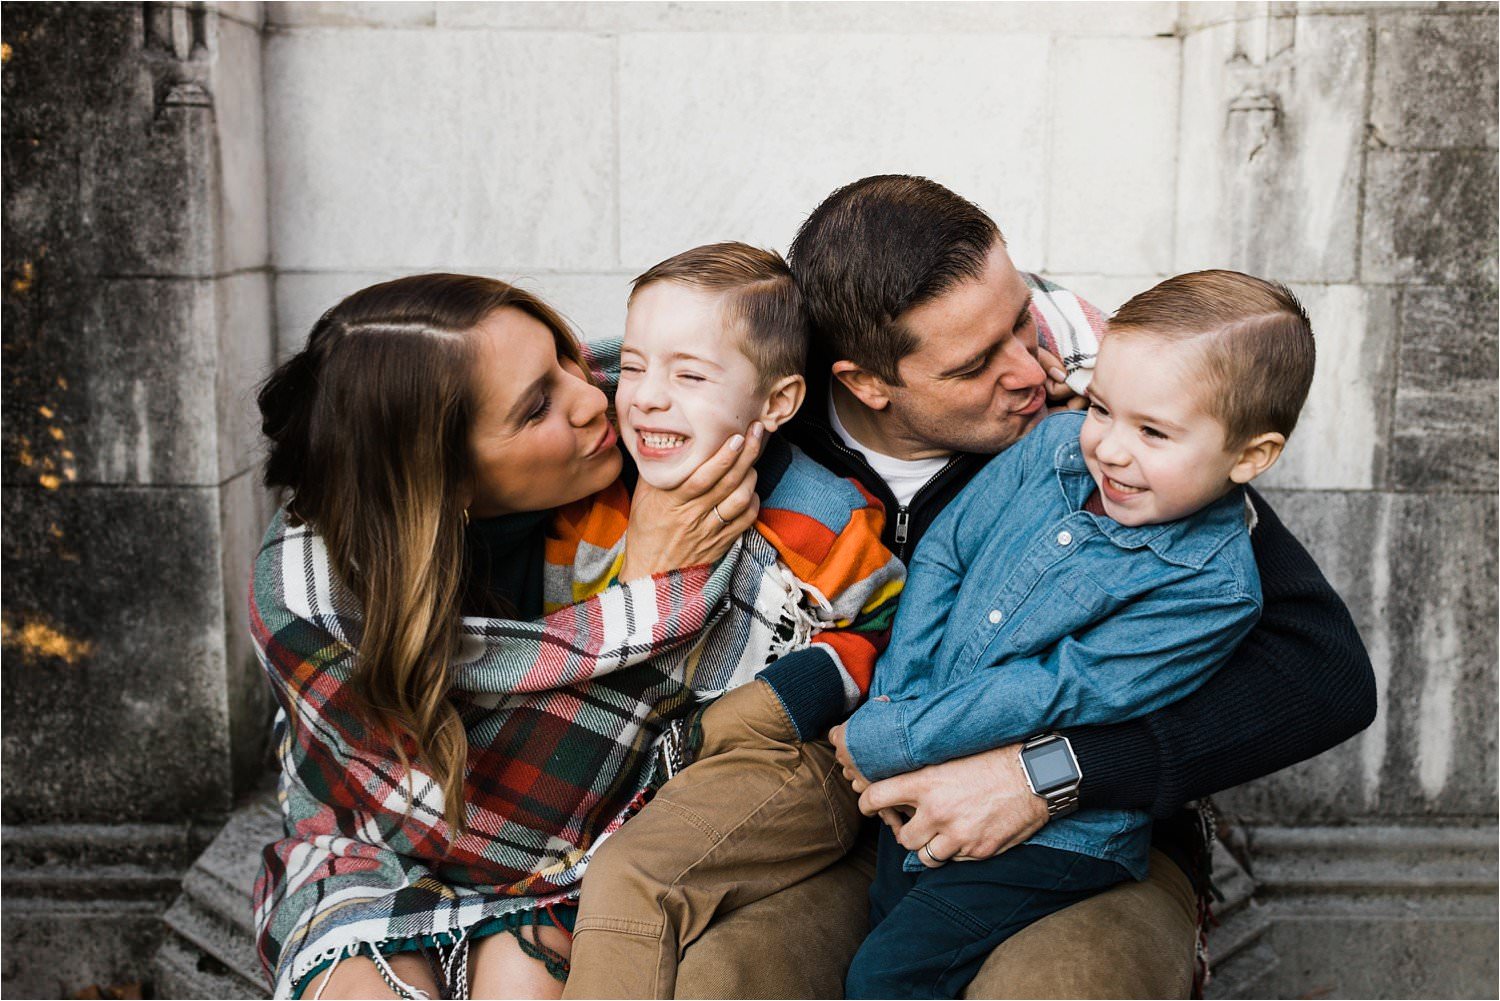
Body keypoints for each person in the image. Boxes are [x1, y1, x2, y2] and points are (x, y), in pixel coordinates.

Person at [660, 175, 1375, 998]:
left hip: (1084, 820)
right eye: (976, 363)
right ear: (865, 382)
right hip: (848, 797)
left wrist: (1055, 772)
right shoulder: (761, 423)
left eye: (1020, 321)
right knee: (728, 976)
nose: (1033, 369)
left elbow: (1325, 675)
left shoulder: (1125, 409)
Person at [250, 273, 769, 999]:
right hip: (373, 834)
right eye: (537, 408)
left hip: (596, 836)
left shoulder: (666, 422)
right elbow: (449, 821)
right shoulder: (313, 594)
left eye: (563, 356)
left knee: (522, 980)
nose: (594, 398)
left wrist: (649, 596)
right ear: (446, 482)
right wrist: (644, 594)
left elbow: (569, 811)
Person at [837, 270, 1314, 998]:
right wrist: (896, 705)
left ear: (1250, 456)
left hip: (1060, 838)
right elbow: (946, 554)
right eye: (1102, 408)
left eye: (1153, 431)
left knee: (890, 972)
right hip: (924, 762)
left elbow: (1063, 685)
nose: (1112, 449)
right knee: (884, 928)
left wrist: (899, 738)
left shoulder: (1214, 588)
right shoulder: (1055, 446)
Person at [536, 242, 905, 998]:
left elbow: (888, 635)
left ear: (777, 402)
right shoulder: (588, 512)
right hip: (639, 762)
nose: (645, 397)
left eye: (689, 375)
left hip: (786, 763)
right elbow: (562, 647)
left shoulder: (829, 517)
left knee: (633, 878)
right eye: (632, 366)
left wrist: (793, 695)